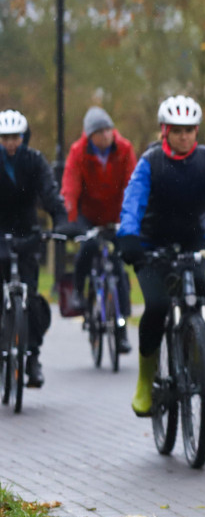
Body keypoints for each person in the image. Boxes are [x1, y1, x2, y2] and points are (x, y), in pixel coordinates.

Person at [117, 95, 205, 417]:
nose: (184, 136)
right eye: (177, 130)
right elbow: (132, 204)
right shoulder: (150, 162)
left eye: (190, 130)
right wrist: (128, 239)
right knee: (157, 306)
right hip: (152, 245)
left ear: (197, 131)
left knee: (200, 294)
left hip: (193, 241)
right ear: (165, 130)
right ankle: (145, 380)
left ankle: (202, 354)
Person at [0, 109, 78, 388]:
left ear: (24, 137)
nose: (10, 143)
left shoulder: (34, 161)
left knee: (31, 298)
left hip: (27, 233)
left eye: (15, 137)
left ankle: (32, 356)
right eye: (5, 138)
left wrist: (60, 221)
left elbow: (49, 192)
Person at [61, 106, 137, 353]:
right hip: (88, 215)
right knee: (88, 247)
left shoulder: (124, 149)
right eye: (100, 132)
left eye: (108, 129)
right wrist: (70, 219)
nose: (106, 135)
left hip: (116, 215)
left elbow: (133, 184)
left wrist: (131, 218)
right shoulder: (78, 151)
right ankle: (79, 292)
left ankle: (122, 330)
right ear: (90, 135)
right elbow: (70, 184)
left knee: (117, 265)